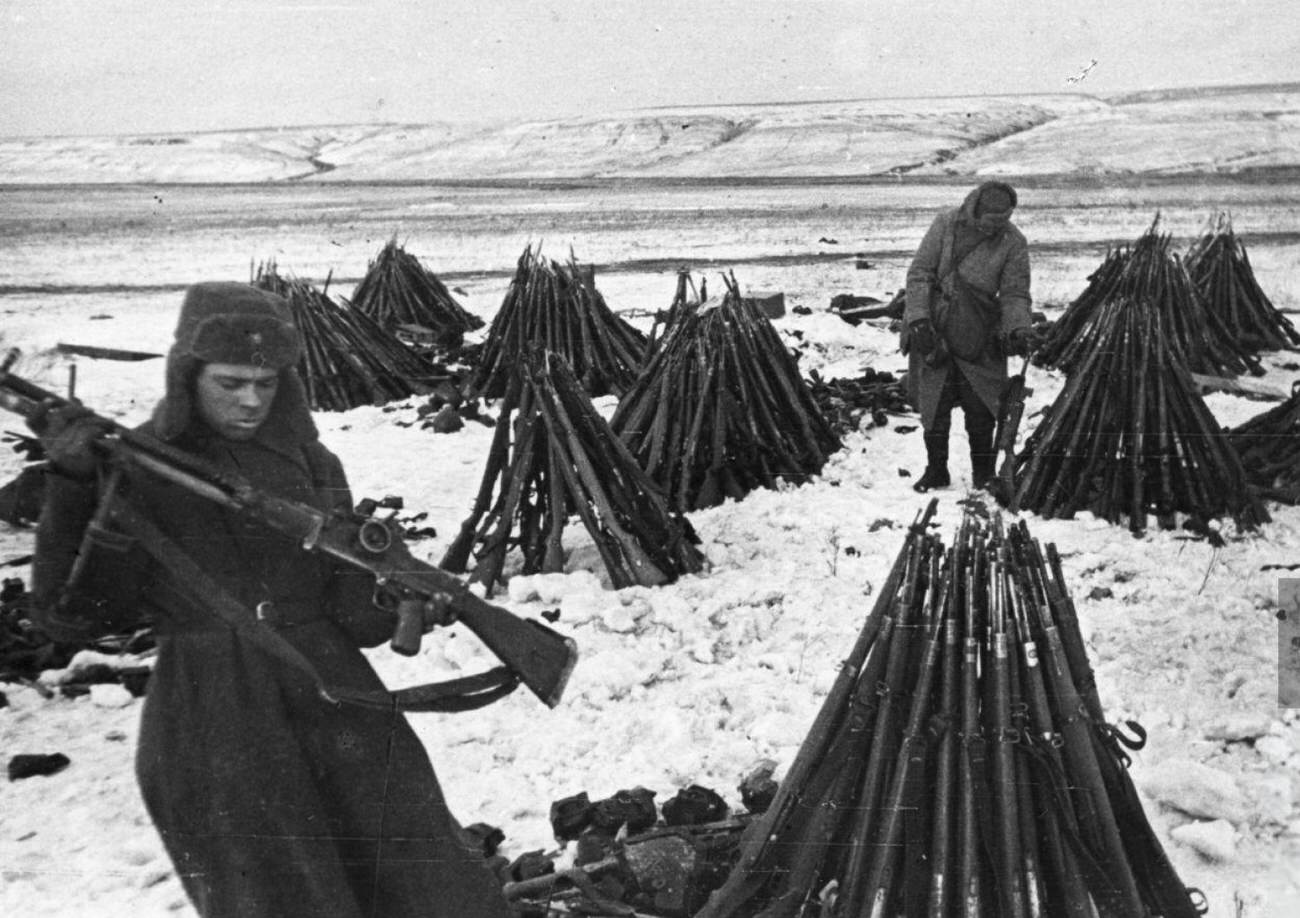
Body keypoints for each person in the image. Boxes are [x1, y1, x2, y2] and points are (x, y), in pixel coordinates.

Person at [29, 282, 513, 918]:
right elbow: (72, 618)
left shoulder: (314, 464)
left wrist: (407, 598)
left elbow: (351, 618)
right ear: (187, 375)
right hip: (211, 715)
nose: (251, 400)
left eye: (266, 382)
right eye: (229, 383)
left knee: (427, 881)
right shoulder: (135, 464)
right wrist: (69, 488)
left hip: (337, 701)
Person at [901, 181, 1034, 492]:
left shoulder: (1014, 242)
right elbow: (920, 272)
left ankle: (983, 473)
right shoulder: (946, 224)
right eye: (991, 222)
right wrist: (919, 319)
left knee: (983, 406)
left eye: (1003, 221)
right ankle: (936, 470)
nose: (995, 229)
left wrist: (1018, 328)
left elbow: (1015, 293)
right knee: (935, 404)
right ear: (978, 210)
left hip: (980, 332)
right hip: (934, 329)